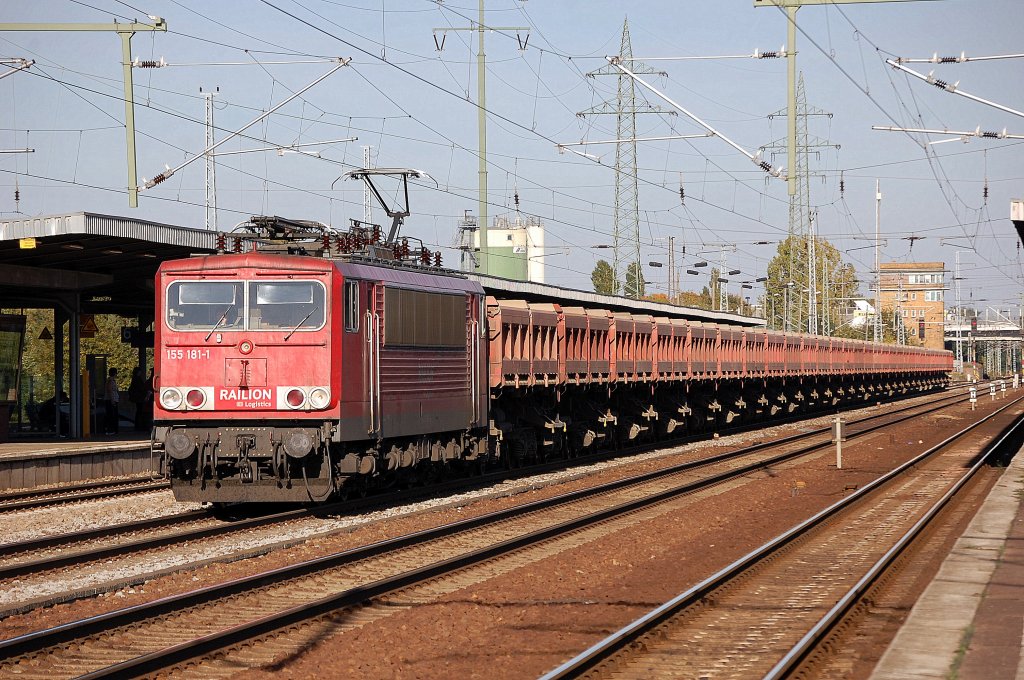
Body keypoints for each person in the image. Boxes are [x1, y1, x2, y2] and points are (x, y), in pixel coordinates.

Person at [104, 367, 120, 435]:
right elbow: (110, 391)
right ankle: (111, 430)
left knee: (112, 415)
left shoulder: (111, 380)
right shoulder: (110, 381)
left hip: (112, 400)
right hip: (111, 400)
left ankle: (112, 430)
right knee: (112, 415)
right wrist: (112, 401)